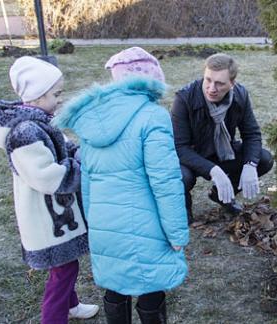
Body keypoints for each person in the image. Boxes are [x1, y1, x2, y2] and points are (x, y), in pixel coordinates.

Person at [53, 47, 189, 324]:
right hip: (147, 224)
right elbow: (165, 182)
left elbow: (87, 178)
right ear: (152, 79)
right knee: (151, 285)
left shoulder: (92, 119)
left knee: (115, 285)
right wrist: (177, 234)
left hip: (106, 223)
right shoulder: (153, 116)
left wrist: (96, 221)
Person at [0, 56, 99, 323]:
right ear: (38, 96)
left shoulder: (42, 121)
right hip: (45, 219)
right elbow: (46, 177)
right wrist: (80, 169)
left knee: (66, 265)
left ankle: (71, 305)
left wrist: (83, 153)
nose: (60, 99)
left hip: (58, 215)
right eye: (56, 94)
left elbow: (66, 146)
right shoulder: (25, 132)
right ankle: (54, 318)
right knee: (63, 269)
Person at [171, 53, 274, 222]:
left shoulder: (240, 95)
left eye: (219, 83)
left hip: (223, 151)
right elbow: (179, 147)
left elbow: (252, 134)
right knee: (181, 177)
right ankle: (184, 207)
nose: (212, 88)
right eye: (208, 80)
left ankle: (222, 195)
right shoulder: (184, 98)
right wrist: (213, 170)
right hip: (190, 157)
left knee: (263, 159)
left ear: (232, 84)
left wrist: (250, 164)